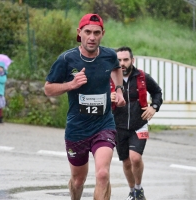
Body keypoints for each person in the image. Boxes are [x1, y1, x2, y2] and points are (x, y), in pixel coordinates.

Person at [44, 13, 126, 200]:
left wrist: (119, 90)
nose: (92, 37)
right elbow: (48, 89)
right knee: (78, 181)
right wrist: (70, 85)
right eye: (87, 32)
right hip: (77, 129)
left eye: (96, 33)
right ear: (79, 32)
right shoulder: (66, 59)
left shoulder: (109, 55)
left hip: (103, 124)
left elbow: (116, 68)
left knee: (103, 174)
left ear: (102, 34)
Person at [112, 46, 163, 200]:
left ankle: (139, 189)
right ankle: (132, 190)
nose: (122, 63)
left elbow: (157, 92)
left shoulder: (142, 76)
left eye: (125, 60)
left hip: (139, 124)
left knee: (135, 158)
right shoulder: (110, 78)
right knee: (127, 162)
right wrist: (108, 98)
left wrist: (154, 107)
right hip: (118, 126)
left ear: (132, 60)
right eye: (119, 60)